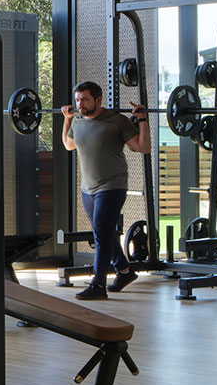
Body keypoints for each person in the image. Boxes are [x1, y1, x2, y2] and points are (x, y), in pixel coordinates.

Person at [59, 81, 151, 301]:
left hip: (112, 185)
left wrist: (143, 120)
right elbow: (68, 145)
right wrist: (67, 120)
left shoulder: (116, 121)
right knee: (104, 233)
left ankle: (98, 284)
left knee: (101, 231)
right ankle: (124, 271)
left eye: (85, 99)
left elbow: (143, 147)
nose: (80, 104)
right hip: (87, 188)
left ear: (98, 100)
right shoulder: (78, 121)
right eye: (78, 99)